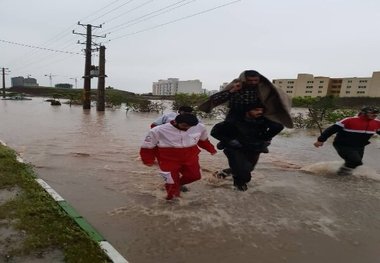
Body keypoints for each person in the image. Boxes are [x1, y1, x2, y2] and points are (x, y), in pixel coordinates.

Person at [140, 113, 217, 200]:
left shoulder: (200, 127)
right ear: (175, 122)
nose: (187, 128)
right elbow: (147, 146)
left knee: (195, 176)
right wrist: (147, 160)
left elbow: (203, 141)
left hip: (190, 157)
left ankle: (177, 184)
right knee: (172, 186)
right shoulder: (157, 130)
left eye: (190, 127)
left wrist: (211, 149)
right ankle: (171, 204)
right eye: (184, 125)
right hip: (167, 159)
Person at [211, 103, 284, 191]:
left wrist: (267, 138)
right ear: (247, 110)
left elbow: (279, 127)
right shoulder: (232, 121)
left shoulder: (263, 120)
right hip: (235, 149)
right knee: (244, 175)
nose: (260, 112)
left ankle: (225, 172)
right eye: (256, 110)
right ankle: (238, 194)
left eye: (261, 110)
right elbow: (214, 132)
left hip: (254, 148)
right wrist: (230, 141)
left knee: (249, 168)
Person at [198, 70, 293, 128]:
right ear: (244, 79)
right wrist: (233, 90)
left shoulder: (265, 87)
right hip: (237, 111)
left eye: (255, 80)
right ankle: (225, 141)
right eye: (250, 80)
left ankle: (264, 141)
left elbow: (280, 96)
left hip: (256, 112)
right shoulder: (235, 85)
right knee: (227, 126)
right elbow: (217, 99)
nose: (253, 83)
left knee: (277, 126)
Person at [313, 106, 380, 176]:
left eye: (376, 114)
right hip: (343, 145)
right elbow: (331, 130)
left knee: (354, 163)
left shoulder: (377, 122)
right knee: (355, 161)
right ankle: (341, 175)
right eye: (372, 113)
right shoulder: (349, 120)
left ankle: (342, 175)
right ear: (363, 113)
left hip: (359, 146)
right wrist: (320, 140)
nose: (375, 115)